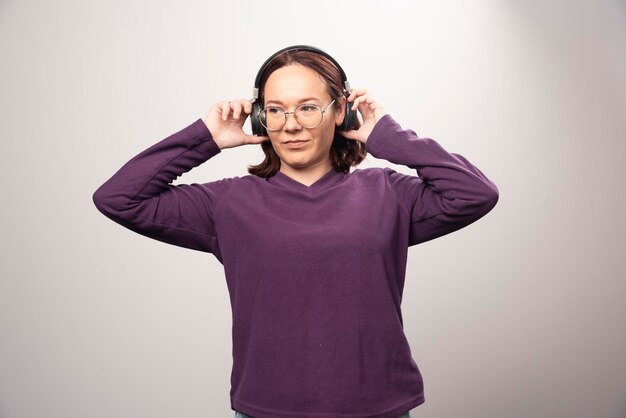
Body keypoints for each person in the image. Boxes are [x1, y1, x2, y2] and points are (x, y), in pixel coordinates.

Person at [92, 45, 499, 418]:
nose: (290, 125)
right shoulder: (229, 203)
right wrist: (207, 138)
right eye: (275, 110)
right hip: (265, 411)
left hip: (379, 410)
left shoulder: (388, 194)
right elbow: (119, 198)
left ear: (341, 112)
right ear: (259, 117)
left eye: (307, 108)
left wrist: (386, 135)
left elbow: (475, 194)